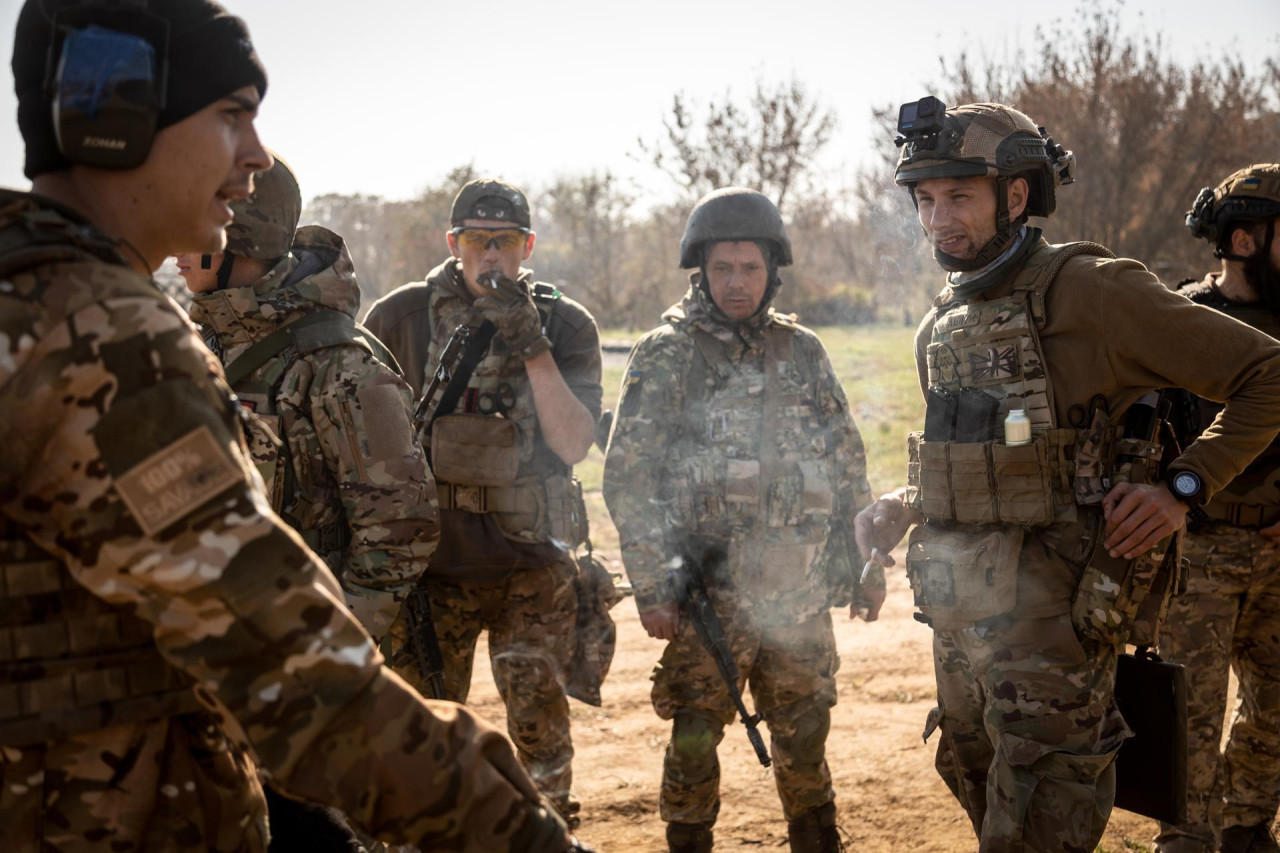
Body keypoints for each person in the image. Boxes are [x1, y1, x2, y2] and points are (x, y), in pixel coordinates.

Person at [0, 2, 582, 851]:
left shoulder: (34, 304)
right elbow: (293, 674)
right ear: (122, 120)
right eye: (232, 115)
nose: (255, 158)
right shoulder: (105, 343)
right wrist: (522, 835)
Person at [853, 98, 1280, 853]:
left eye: (959, 195)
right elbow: (980, 466)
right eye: (924, 200)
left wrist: (1185, 485)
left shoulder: (1094, 292)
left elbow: (1266, 373)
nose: (937, 218)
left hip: (1056, 636)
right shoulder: (940, 324)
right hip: (960, 630)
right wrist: (903, 502)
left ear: (1016, 195)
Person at [601, 187, 879, 853]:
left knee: (805, 730)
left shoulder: (802, 349)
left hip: (799, 589)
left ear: (771, 271)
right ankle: (688, 840)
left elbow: (847, 463)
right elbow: (628, 477)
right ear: (700, 270)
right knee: (695, 734)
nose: (736, 283)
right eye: (722, 269)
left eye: (749, 269)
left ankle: (817, 839)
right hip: (708, 593)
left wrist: (863, 567)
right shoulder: (667, 352)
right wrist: (651, 585)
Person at [175, 154, 440, 850]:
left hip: (305, 684)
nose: (176, 250)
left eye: (191, 229)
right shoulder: (189, 343)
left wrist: (325, 662)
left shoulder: (340, 368)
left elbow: (400, 535)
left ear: (236, 242)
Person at [363, 179, 603, 825]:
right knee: (423, 735)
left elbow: (575, 443)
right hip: (432, 567)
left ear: (527, 247)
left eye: (504, 242)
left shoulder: (565, 322)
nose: (490, 256)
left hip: (532, 562)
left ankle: (548, 836)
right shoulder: (399, 317)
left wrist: (532, 345)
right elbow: (359, 441)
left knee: (541, 734)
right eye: (476, 240)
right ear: (453, 244)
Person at [1155, 164, 1280, 853]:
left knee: (1275, 714)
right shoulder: (1184, 321)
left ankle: (1246, 828)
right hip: (1199, 555)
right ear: (1244, 239)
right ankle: (1187, 840)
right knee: (1192, 716)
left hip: (1278, 553)